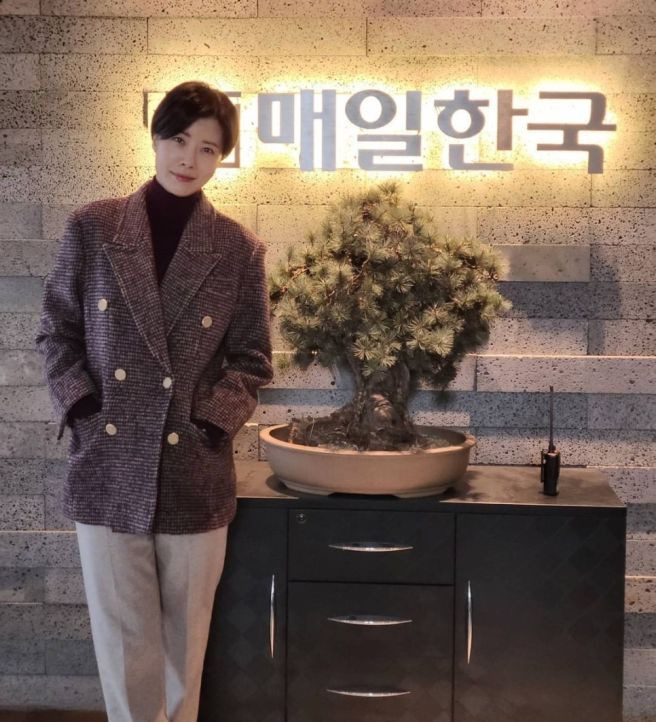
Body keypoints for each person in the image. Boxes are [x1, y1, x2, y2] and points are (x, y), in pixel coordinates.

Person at [35, 81, 273, 722]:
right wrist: (83, 409)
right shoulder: (92, 227)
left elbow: (252, 357)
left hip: (192, 467)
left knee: (185, 643)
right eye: (178, 140)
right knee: (123, 643)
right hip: (109, 462)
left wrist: (211, 424)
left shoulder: (238, 250)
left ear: (223, 158)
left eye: (208, 149)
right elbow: (57, 332)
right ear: (156, 137)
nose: (188, 159)